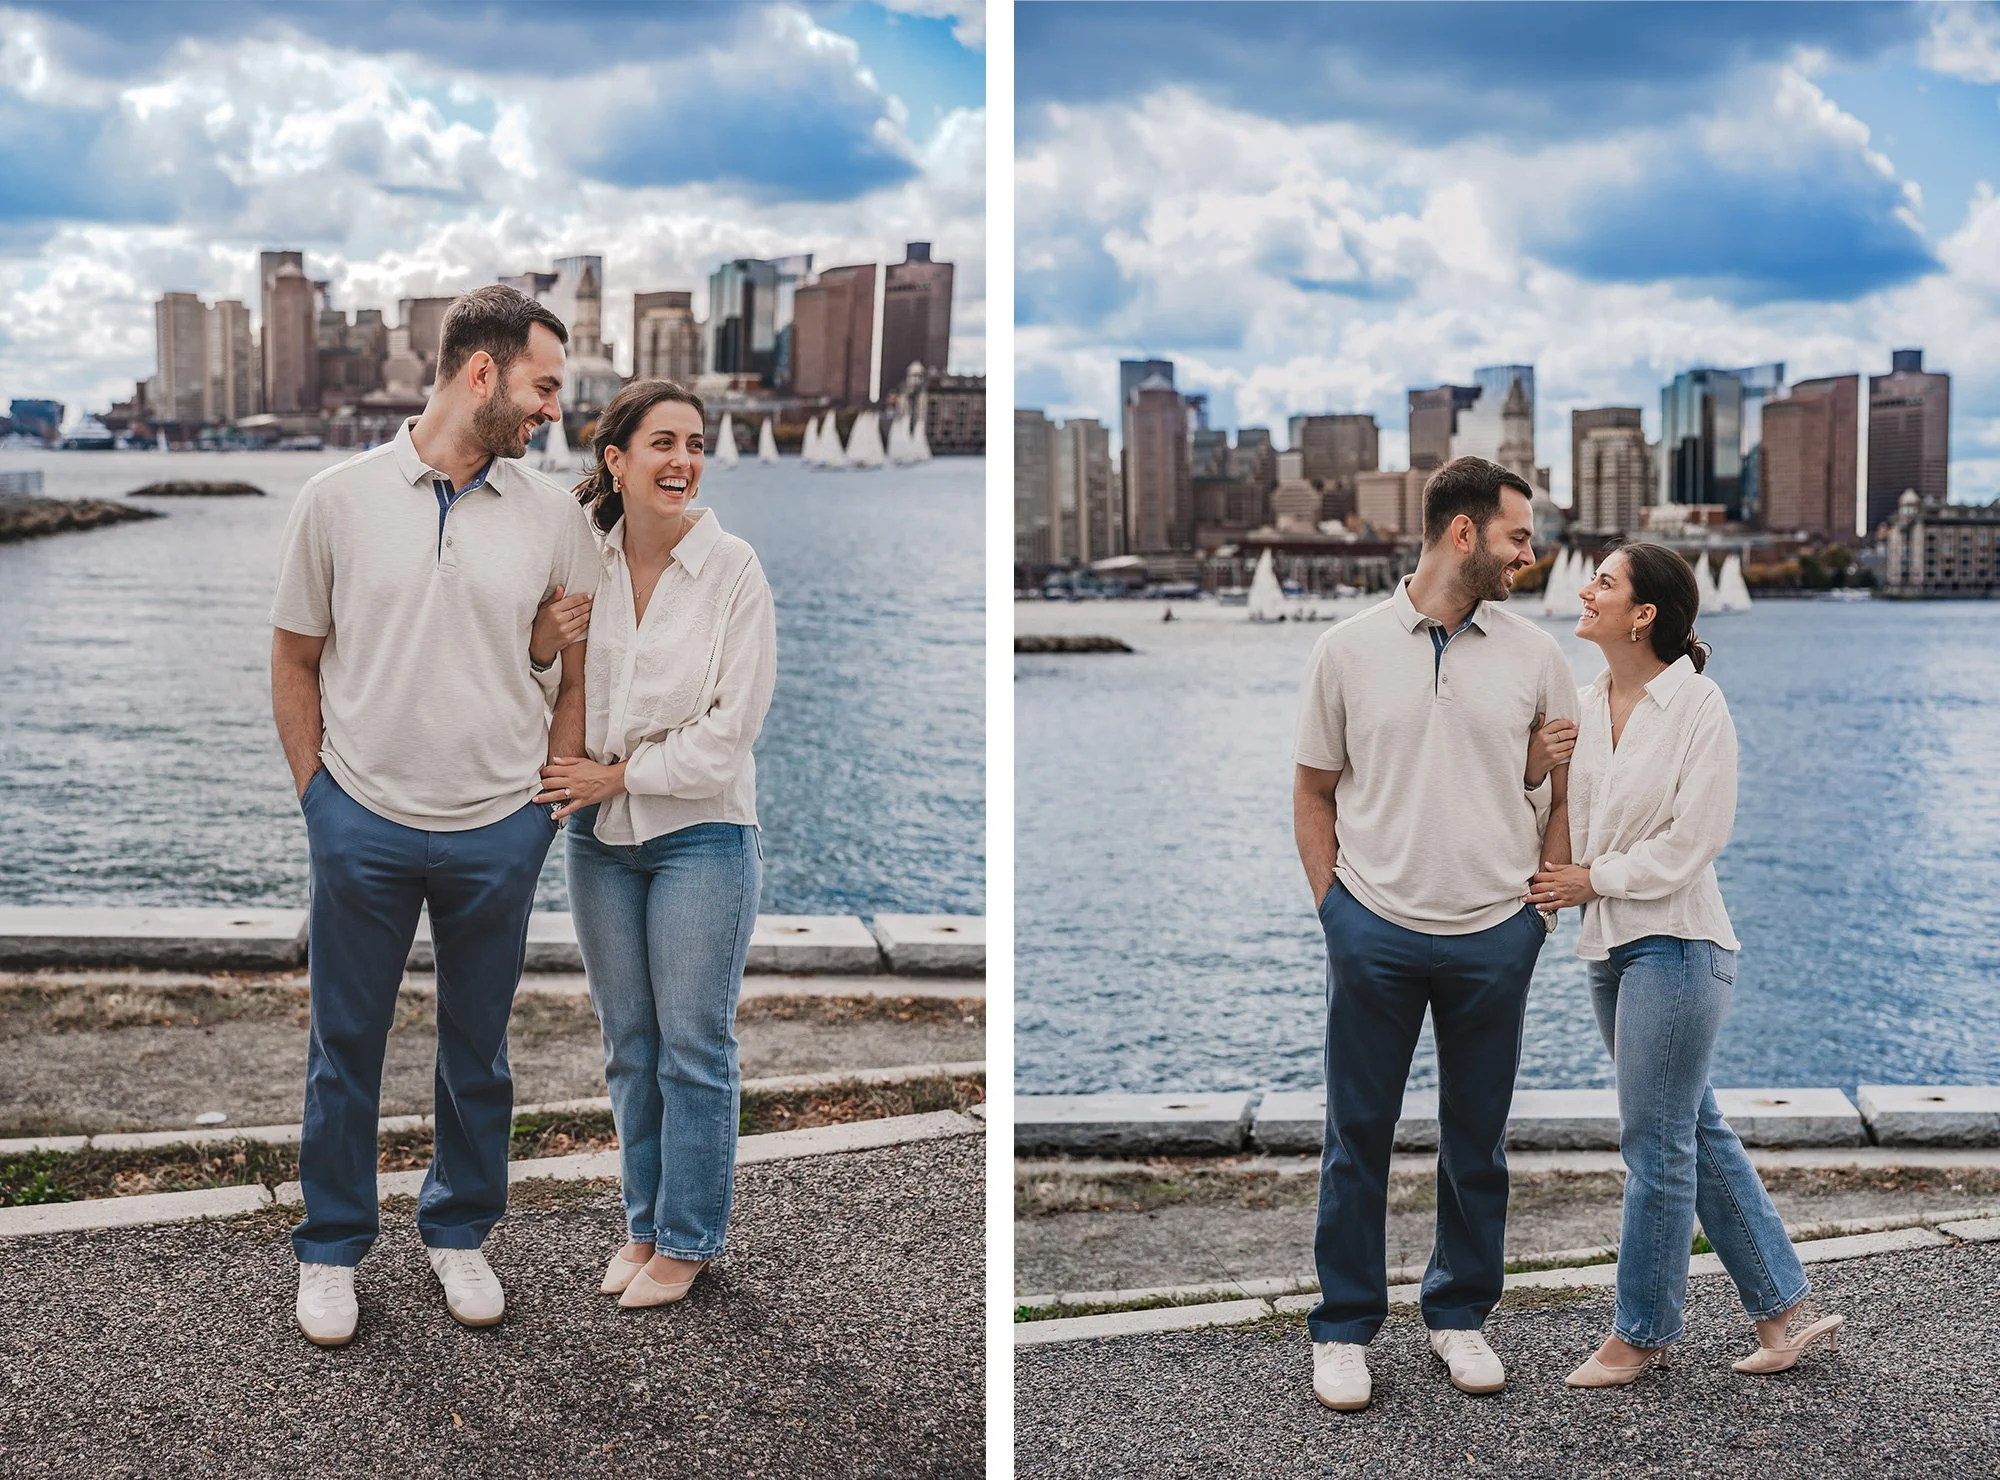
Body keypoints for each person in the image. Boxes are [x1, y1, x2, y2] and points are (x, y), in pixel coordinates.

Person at [271, 284, 601, 1347]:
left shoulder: (553, 514)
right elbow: (294, 655)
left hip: (497, 827)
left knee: (477, 1048)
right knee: (344, 1045)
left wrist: (542, 806)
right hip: (360, 818)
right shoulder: (336, 497)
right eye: (544, 385)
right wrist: (317, 799)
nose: (554, 409)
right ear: (480, 372)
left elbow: (575, 667)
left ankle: (459, 1231)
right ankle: (329, 1250)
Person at [1292, 457, 1577, 1412]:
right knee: (1355, 1135)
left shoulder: (1536, 655)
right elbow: (1313, 789)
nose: (1528, 556)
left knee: (1477, 1141)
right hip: (1373, 926)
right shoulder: (1346, 648)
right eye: (1516, 537)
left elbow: (1560, 793)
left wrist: (1536, 916)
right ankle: (1342, 1327)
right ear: (1464, 533)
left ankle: (1459, 1316)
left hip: (1496, 932)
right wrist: (1336, 911)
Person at [1523, 544, 1842, 1386]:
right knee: (1692, 1130)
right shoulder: (1582, 709)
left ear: (1644, 615)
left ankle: (1642, 1332)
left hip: (1681, 942)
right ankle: (1780, 1316)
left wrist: (1595, 880)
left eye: (1606, 582)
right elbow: (1555, 817)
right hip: (1611, 947)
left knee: (1654, 1142)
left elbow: (1696, 839)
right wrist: (1536, 769)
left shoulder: (1698, 703)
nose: (1585, 590)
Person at [536, 379, 777, 1310]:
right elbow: (544, 688)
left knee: (694, 1045)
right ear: (616, 460)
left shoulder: (734, 570)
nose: (683, 460)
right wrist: (535, 637)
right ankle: (643, 1224)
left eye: (695, 443)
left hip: (702, 837)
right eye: (662, 443)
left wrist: (619, 777)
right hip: (599, 840)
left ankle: (689, 1238)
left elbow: (732, 731)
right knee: (630, 1044)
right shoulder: (581, 564)